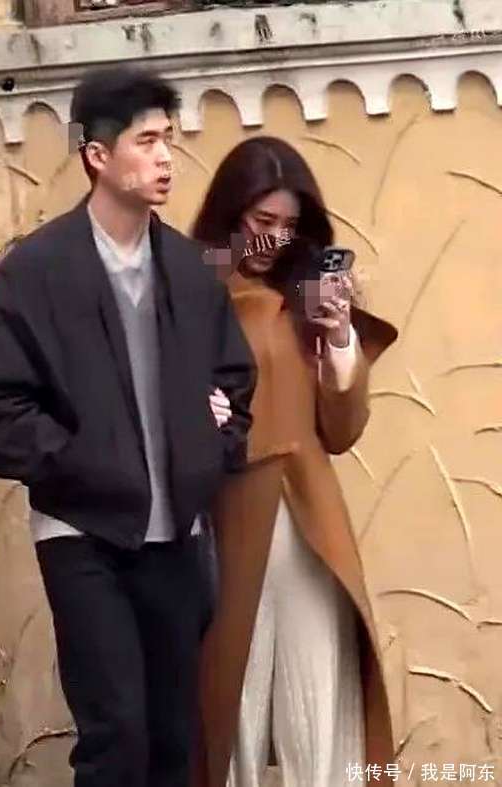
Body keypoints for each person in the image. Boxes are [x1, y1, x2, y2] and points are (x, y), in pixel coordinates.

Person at [0, 67, 256, 787]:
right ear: (96, 155)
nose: (166, 157)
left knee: (174, 735)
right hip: (83, 534)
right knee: (117, 734)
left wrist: (214, 436)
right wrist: (72, 458)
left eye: (168, 139)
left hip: (178, 535)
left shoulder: (189, 269)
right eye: (147, 141)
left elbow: (234, 383)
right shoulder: (35, 272)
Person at [191, 137, 398, 787]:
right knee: (230, 703)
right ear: (231, 211)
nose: (275, 238)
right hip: (228, 517)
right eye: (262, 220)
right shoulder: (190, 288)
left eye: (289, 224)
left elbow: (341, 430)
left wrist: (338, 335)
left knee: (321, 700)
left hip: (310, 519)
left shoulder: (306, 296)